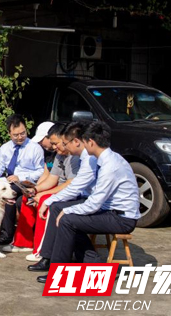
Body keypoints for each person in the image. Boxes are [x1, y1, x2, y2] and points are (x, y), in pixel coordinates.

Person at [34, 121, 140, 284]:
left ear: (90, 142)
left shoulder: (109, 165)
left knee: (67, 220)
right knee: (61, 211)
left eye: (82, 141)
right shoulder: (100, 158)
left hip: (121, 218)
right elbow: (81, 189)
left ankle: (59, 273)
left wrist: (68, 211)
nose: (80, 145)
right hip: (109, 211)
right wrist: (56, 204)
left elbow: (95, 202)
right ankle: (92, 264)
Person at [3, 122, 80, 254]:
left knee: (44, 200)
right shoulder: (59, 155)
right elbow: (51, 178)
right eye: (53, 143)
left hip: (72, 193)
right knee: (28, 198)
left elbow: (70, 184)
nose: (53, 147)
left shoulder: (75, 157)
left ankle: (41, 251)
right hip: (60, 189)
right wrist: (35, 190)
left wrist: (42, 193)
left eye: (56, 143)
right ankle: (23, 243)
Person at [29, 121, 98, 264]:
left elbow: (73, 185)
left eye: (60, 143)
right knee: (58, 210)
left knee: (60, 212)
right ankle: (49, 257)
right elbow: (55, 179)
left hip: (98, 204)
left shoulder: (84, 158)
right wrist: (36, 190)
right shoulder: (82, 157)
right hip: (88, 198)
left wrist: (48, 199)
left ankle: (51, 258)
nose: (55, 148)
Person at [0, 114, 44, 245]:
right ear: (9, 133)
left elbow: (40, 171)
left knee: (7, 196)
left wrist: (21, 177)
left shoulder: (35, 148)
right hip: (9, 181)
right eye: (15, 135)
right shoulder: (5, 148)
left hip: (26, 183)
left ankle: (7, 234)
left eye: (22, 133)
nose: (20, 137)